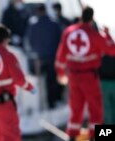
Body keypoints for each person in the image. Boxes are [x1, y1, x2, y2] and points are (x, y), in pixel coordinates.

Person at [55, 6, 115, 141]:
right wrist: (107, 34)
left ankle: (71, 136)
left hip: (73, 76)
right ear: (92, 18)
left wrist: (60, 74)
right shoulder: (94, 35)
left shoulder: (68, 32)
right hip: (89, 77)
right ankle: (95, 136)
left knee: (76, 107)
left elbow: (60, 57)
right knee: (95, 108)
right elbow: (112, 49)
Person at [25, 4, 64, 109]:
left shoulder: (33, 25)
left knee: (39, 82)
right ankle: (52, 103)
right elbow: (60, 40)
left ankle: (40, 105)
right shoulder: (54, 24)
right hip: (52, 57)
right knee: (52, 82)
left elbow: (30, 41)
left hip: (39, 59)